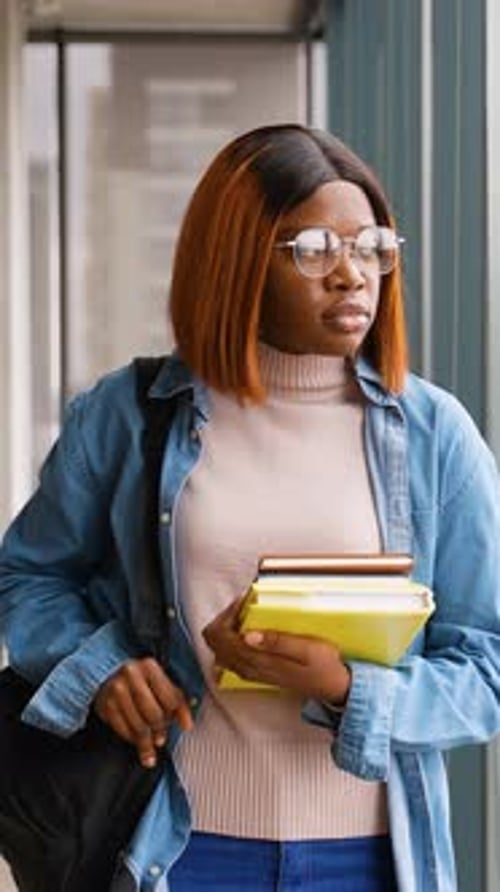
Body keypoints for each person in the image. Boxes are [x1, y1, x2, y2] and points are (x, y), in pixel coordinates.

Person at [0, 123, 499, 892]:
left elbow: (488, 665)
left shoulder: (435, 435)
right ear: (235, 262)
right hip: (175, 848)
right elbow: (27, 578)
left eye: (370, 247)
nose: (351, 275)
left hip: (366, 859)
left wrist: (347, 688)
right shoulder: (129, 415)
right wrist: (101, 671)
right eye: (313, 250)